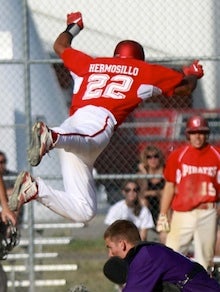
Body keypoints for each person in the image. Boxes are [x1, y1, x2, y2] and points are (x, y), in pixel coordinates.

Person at [8, 11, 204, 223]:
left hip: (73, 127)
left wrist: (73, 27)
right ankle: (51, 137)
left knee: (84, 211)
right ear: (138, 58)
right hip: (95, 120)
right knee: (93, 139)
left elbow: (60, 47)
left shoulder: (90, 64)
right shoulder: (143, 70)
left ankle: (34, 188)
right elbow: (186, 88)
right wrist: (192, 73)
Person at [156, 115, 220, 271]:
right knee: (172, 254)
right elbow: (170, 186)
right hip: (182, 213)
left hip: (208, 211)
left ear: (207, 134)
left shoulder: (217, 155)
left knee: (205, 261)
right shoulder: (178, 155)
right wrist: (163, 213)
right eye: (193, 132)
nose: (197, 136)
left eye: (202, 132)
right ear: (188, 135)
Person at [103, 219, 220, 291]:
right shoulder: (147, 252)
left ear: (122, 244)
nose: (110, 254)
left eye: (110, 248)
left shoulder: (145, 257)